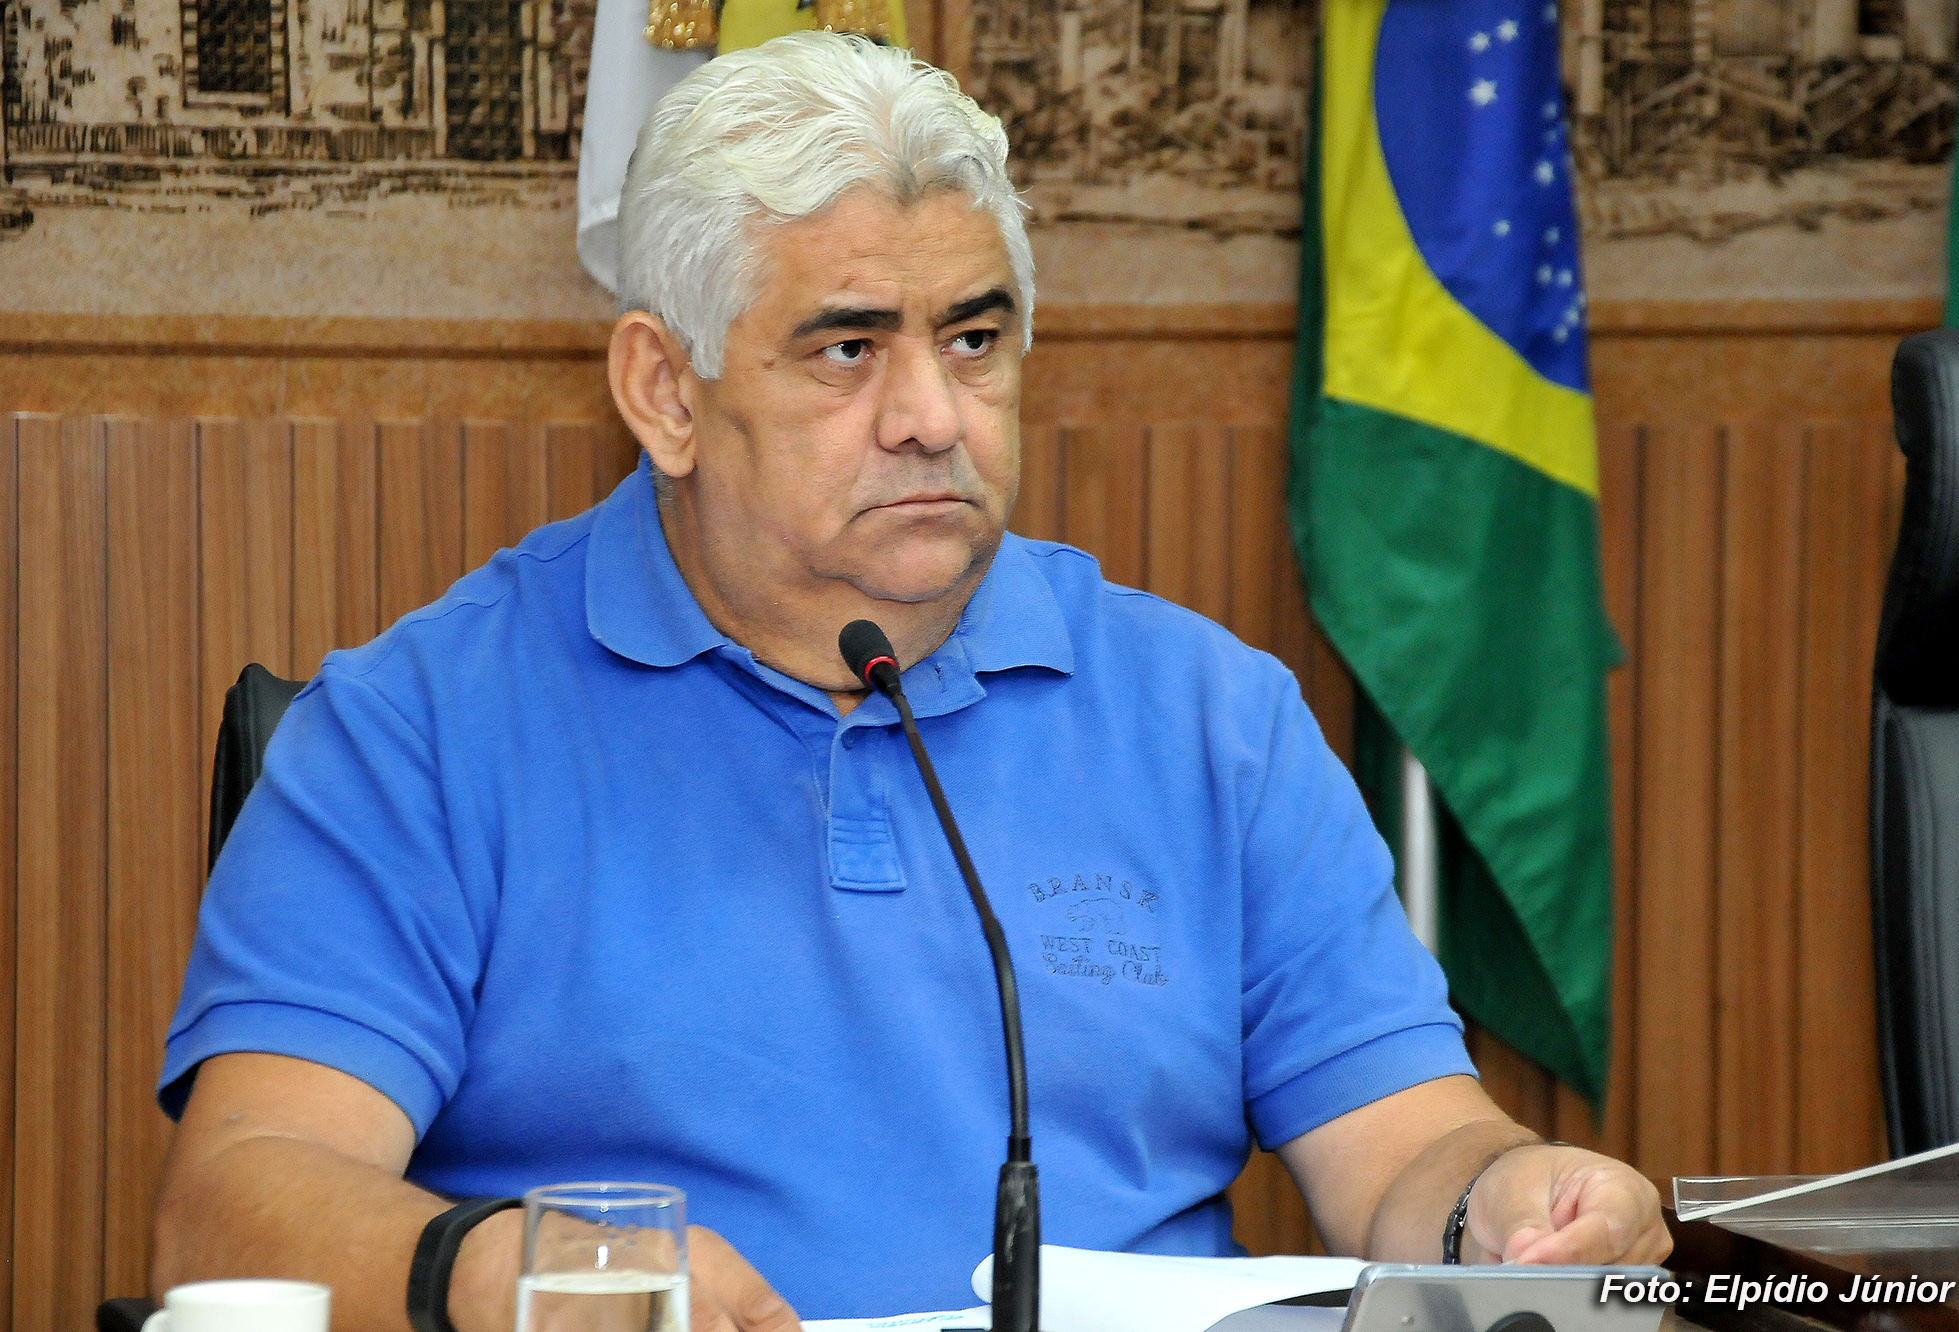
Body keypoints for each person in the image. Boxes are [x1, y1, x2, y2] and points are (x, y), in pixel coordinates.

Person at [150, 31, 1671, 1332]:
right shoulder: (415, 731)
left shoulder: (1216, 721)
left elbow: (1403, 1155)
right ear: (665, 392)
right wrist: (527, 1275)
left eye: (974, 338)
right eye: (847, 350)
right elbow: (236, 1203)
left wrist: (1508, 1202)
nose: (933, 415)